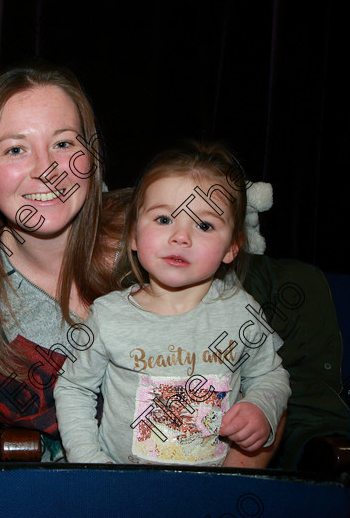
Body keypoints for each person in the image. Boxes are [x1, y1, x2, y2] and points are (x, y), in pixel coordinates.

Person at [54, 143, 291, 466]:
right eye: (164, 219)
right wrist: (88, 461)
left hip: (208, 493)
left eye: (204, 225)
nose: (181, 236)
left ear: (232, 248)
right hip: (120, 489)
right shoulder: (109, 315)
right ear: (134, 236)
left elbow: (270, 375)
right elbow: (73, 388)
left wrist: (262, 407)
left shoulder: (240, 312)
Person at [0, 62, 119, 461]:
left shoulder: (159, 246)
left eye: (65, 143)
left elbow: (254, 389)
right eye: (16, 149)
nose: (46, 169)